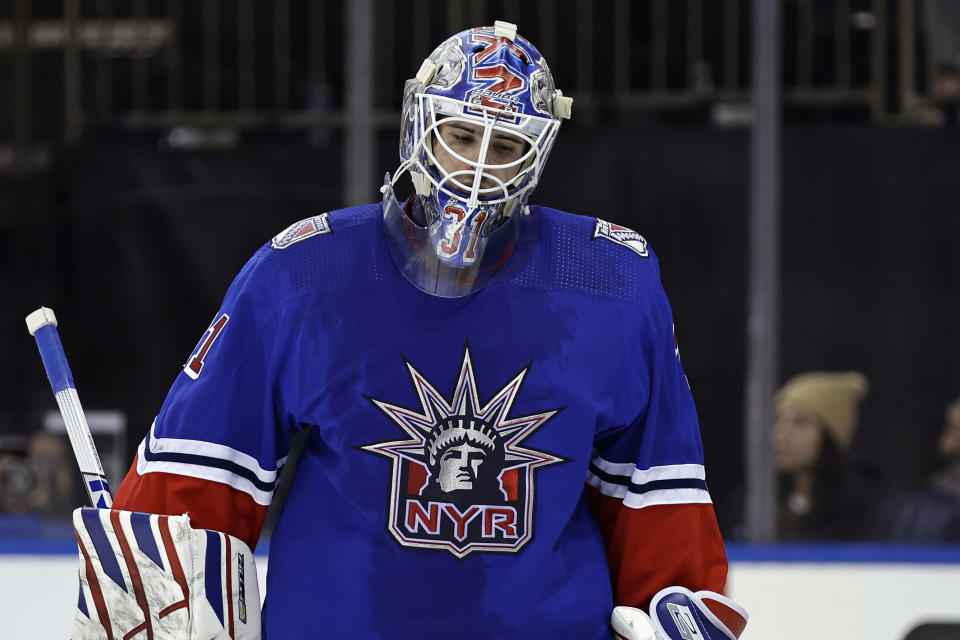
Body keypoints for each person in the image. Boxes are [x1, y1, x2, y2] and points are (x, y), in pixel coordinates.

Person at [75, 21, 746, 639]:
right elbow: (199, 478)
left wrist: (676, 605)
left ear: (537, 156)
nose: (478, 166)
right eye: (460, 134)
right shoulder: (303, 273)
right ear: (415, 124)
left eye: (506, 144)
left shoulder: (613, 285)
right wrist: (146, 576)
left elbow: (654, 491)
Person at [772, 371, 870, 540]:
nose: (781, 435)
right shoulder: (755, 506)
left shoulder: (860, 513)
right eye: (779, 420)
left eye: (800, 423)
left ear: (830, 437)